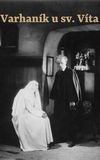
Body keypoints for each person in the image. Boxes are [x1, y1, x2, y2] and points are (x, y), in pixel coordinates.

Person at [12, 80, 53, 151]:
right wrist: (40, 114)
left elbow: (35, 107)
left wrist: (42, 113)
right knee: (41, 121)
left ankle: (46, 142)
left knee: (46, 119)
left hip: (30, 112)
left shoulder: (34, 94)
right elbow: (29, 108)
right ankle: (40, 144)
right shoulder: (24, 93)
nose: (35, 89)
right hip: (23, 115)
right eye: (34, 87)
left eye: (36, 88)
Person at [50, 55, 82, 147]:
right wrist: (55, 98)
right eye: (58, 63)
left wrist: (72, 101)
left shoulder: (71, 72)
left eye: (61, 63)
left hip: (69, 101)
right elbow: (56, 87)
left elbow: (74, 88)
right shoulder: (58, 73)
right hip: (60, 101)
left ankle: (73, 139)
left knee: (71, 120)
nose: (60, 65)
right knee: (60, 118)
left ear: (65, 63)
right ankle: (62, 137)